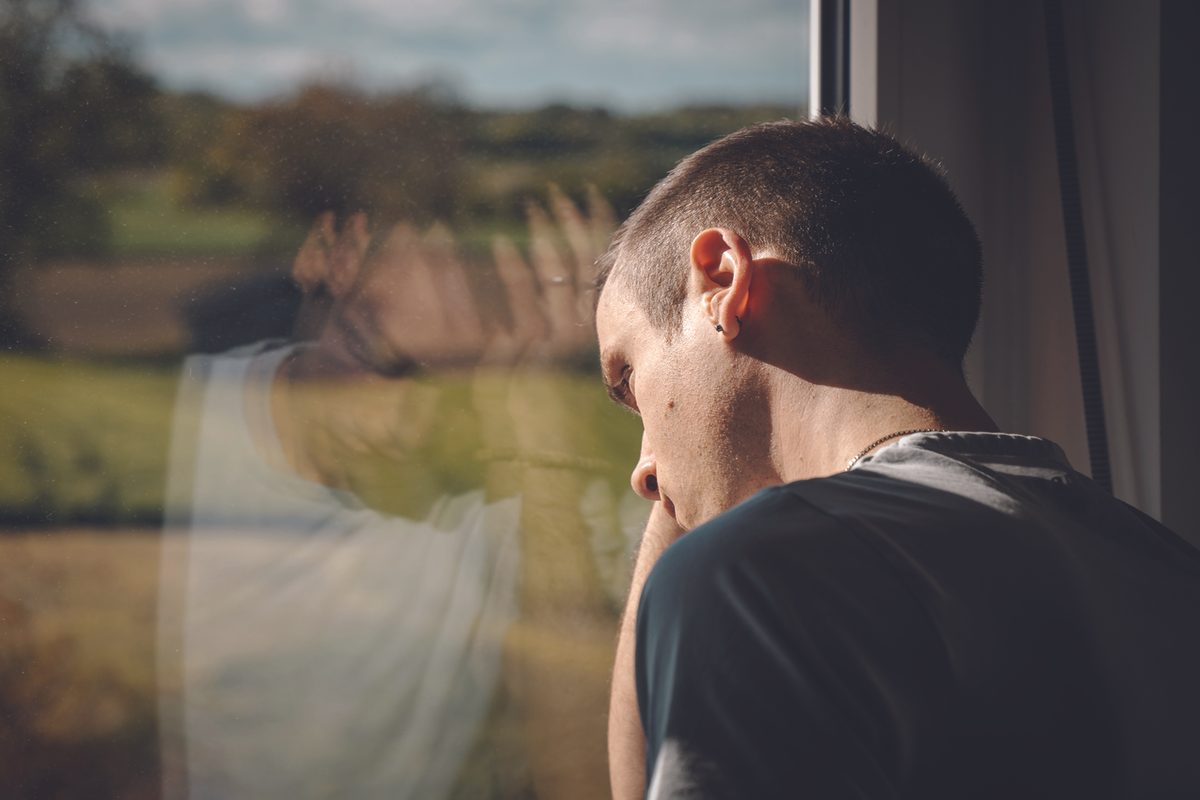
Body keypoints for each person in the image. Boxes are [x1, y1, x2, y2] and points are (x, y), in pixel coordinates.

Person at [596, 117, 1200, 799]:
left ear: (723, 278)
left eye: (628, 381)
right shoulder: (1160, 563)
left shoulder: (764, 576)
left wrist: (698, 522)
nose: (642, 469)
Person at [158, 190, 634, 799]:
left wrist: (541, 435)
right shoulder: (180, 418)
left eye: (463, 385)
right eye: (374, 354)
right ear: (333, 256)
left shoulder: (544, 480)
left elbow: (591, 780)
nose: (400, 425)